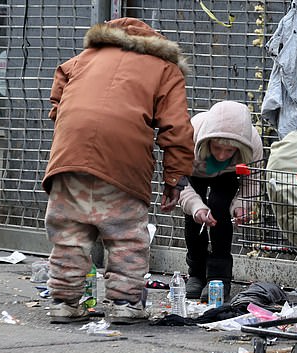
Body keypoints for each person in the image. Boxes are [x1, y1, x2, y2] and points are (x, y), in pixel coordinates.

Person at [42, 18, 194, 324]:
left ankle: (62, 301)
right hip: (123, 159)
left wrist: (65, 118)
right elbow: (176, 129)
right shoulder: (164, 68)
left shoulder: (86, 57)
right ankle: (125, 304)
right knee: (125, 235)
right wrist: (175, 178)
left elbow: (59, 89)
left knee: (69, 233)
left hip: (69, 152)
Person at [179, 101, 263, 302]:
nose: (221, 154)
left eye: (229, 151)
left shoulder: (253, 141)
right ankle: (196, 274)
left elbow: (253, 180)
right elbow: (178, 179)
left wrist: (242, 205)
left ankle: (219, 276)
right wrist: (196, 207)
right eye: (217, 148)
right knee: (194, 219)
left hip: (228, 174)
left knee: (220, 209)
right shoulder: (190, 134)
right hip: (194, 172)